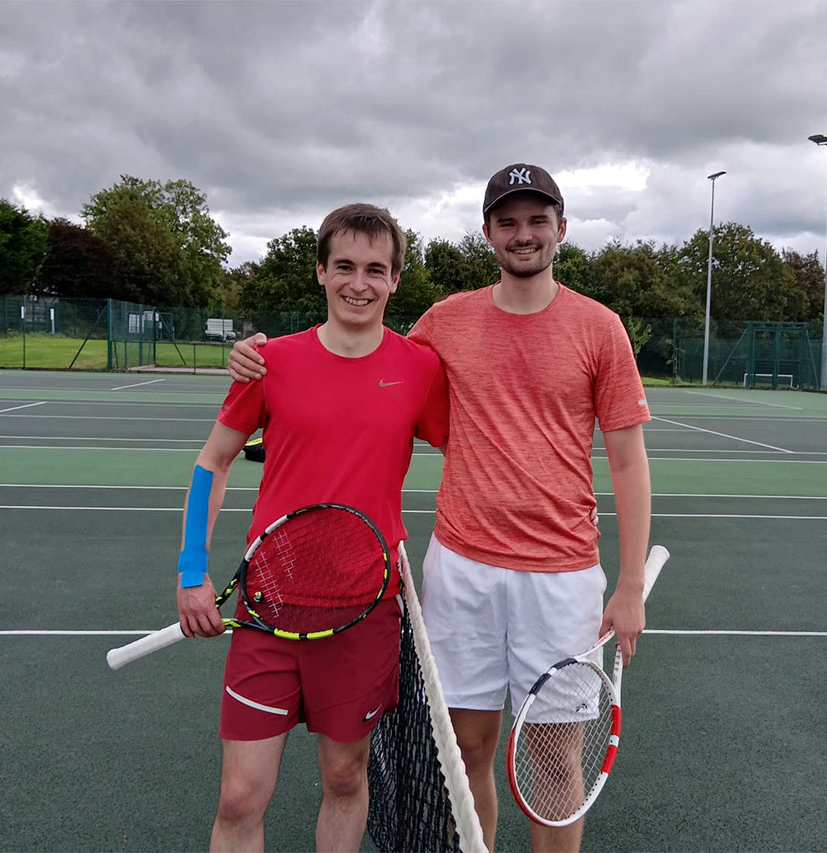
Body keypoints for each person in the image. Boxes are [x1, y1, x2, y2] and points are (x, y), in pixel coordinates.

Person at [228, 164, 653, 853]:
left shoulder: (599, 328)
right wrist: (262, 356)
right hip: (462, 570)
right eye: (508, 221)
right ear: (488, 232)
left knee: (553, 763)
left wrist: (630, 583)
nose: (523, 234)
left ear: (561, 228)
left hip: (562, 576)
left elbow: (629, 461)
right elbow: (358, 346)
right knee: (465, 752)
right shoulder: (446, 321)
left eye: (537, 220)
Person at [177, 203, 448, 853]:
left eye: (376, 270)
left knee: (345, 777)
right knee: (240, 795)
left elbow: (474, 452)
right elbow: (213, 462)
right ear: (321, 272)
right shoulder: (269, 361)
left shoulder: (420, 369)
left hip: (365, 611)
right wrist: (191, 569)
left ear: (395, 281)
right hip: (268, 607)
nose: (360, 283)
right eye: (345, 266)